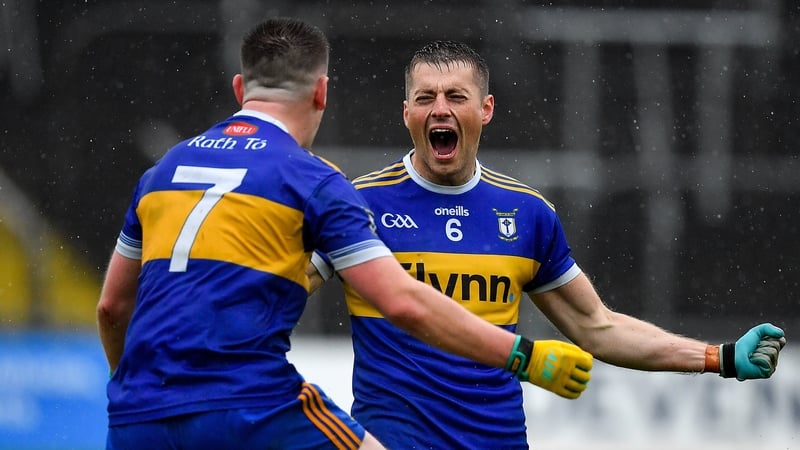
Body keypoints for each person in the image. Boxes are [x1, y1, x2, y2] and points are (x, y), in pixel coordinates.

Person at [95, 19, 596, 450]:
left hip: (137, 412)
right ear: (321, 92)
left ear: (238, 88)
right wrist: (522, 355)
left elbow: (112, 309)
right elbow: (402, 301)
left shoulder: (162, 172)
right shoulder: (312, 180)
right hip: (248, 404)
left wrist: (140, 388)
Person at [308, 40, 787, 449]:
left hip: (496, 439)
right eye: (425, 97)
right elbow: (281, 286)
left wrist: (717, 357)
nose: (440, 109)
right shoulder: (359, 203)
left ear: (486, 109)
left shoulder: (526, 213)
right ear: (407, 112)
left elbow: (596, 326)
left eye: (456, 95)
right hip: (394, 439)